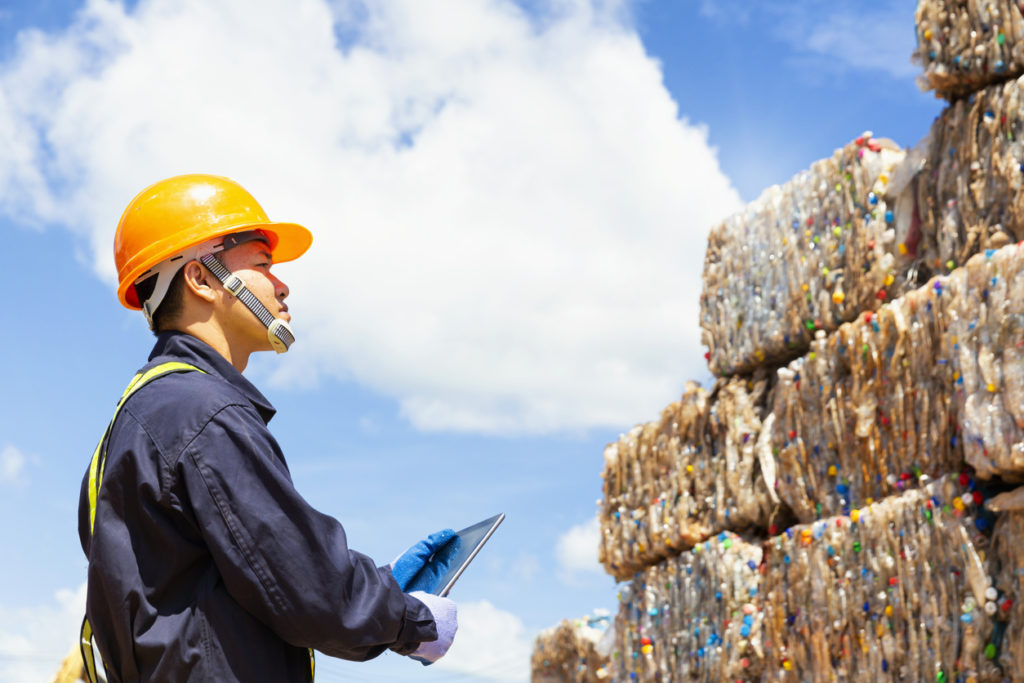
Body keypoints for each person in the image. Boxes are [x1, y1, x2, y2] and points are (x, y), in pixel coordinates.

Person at [77, 174, 458, 682]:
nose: (282, 284)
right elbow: (310, 592)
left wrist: (381, 589)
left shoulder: (145, 414)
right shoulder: (202, 411)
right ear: (202, 279)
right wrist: (414, 619)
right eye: (261, 263)